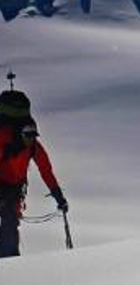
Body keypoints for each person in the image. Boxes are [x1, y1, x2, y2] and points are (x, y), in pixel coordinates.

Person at [0, 90, 67, 258]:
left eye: (33, 135)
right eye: (28, 135)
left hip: (14, 190)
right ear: (21, 133)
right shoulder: (3, 139)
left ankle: (9, 262)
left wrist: (58, 196)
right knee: (9, 223)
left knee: (10, 224)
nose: (31, 139)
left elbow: (46, 171)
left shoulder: (34, 147)